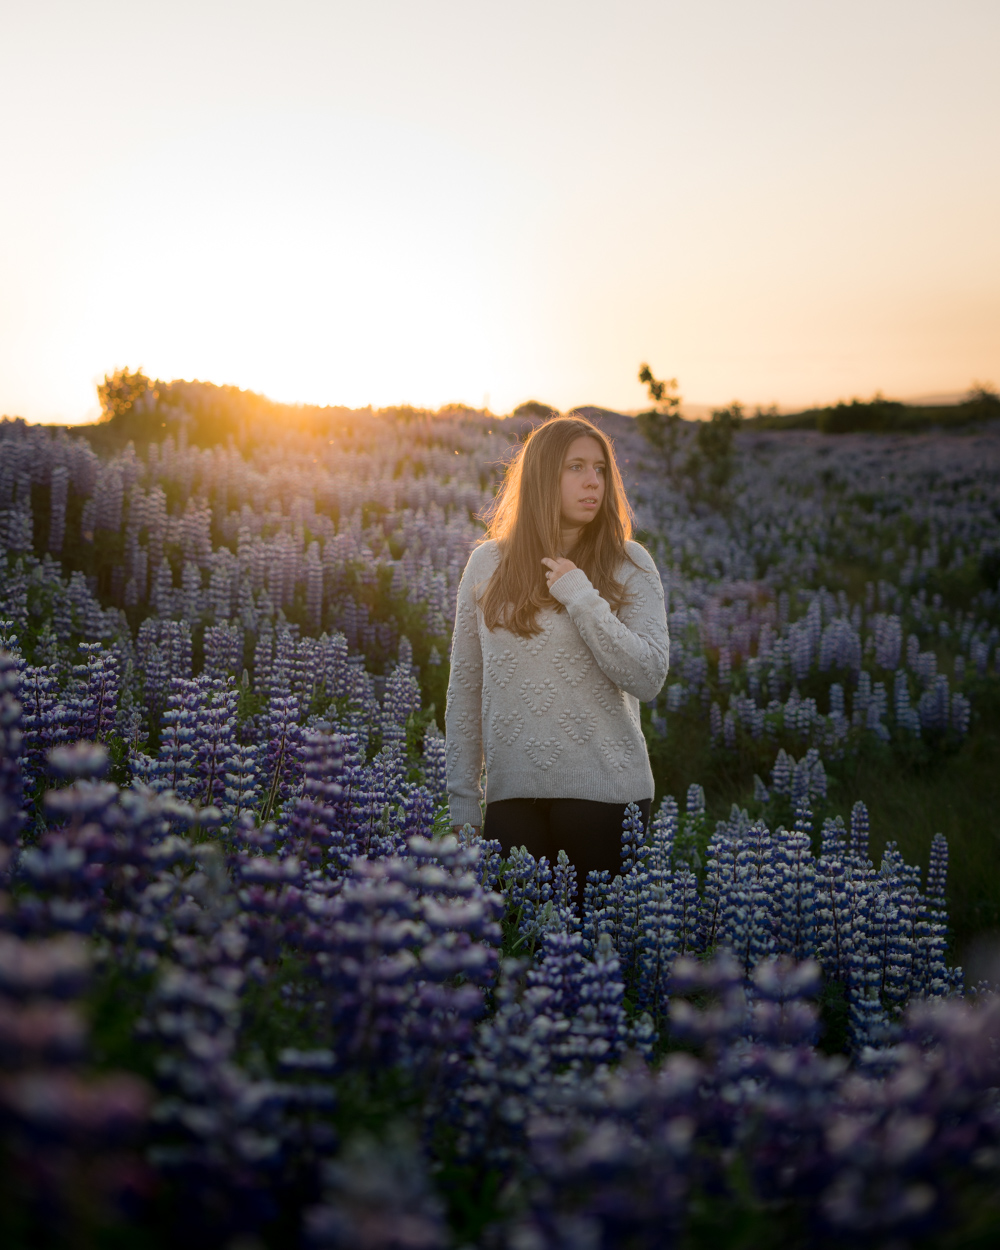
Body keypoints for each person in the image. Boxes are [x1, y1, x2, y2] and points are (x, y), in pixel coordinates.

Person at [445, 414, 669, 892]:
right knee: (517, 954)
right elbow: (465, 689)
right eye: (576, 468)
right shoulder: (487, 564)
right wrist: (463, 801)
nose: (594, 481)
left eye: (601, 469)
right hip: (512, 794)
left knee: (597, 953)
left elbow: (648, 676)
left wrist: (581, 596)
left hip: (608, 795)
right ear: (545, 476)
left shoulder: (630, 562)